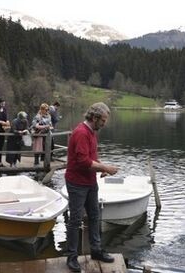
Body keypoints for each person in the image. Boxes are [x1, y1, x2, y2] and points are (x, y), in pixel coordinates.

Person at [65, 102, 119, 272]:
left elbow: (91, 156)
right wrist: (105, 168)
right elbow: (82, 161)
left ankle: (96, 251)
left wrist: (101, 167)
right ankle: (72, 258)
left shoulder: (92, 132)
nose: (104, 124)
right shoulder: (81, 133)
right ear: (94, 118)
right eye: (103, 120)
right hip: (76, 183)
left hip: (89, 182)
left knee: (95, 216)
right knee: (75, 220)